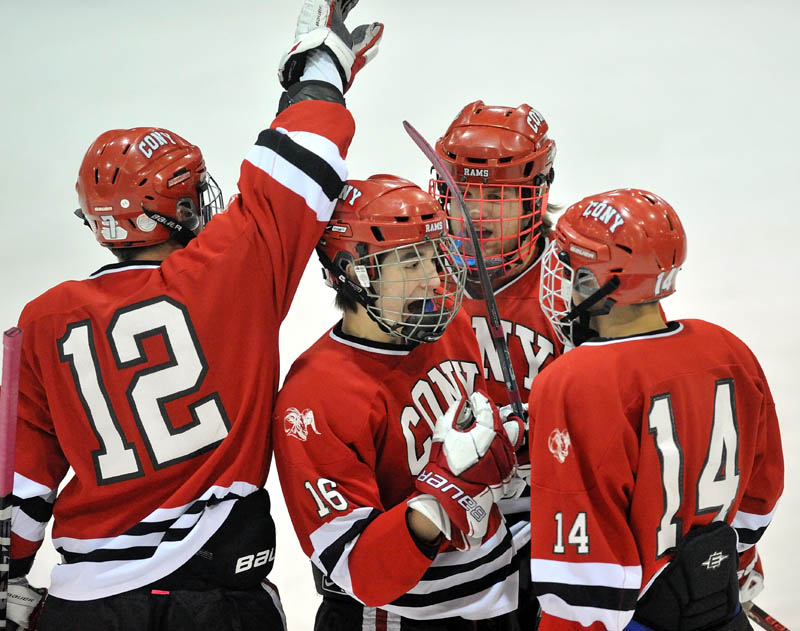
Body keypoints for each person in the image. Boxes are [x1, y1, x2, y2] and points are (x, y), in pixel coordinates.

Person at [7, 1, 383, 629]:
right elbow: (297, 167)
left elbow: (20, 474)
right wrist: (317, 74)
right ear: (176, 209)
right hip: (206, 602)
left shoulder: (43, 317)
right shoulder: (226, 272)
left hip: (83, 608)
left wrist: (14, 574)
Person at [273, 174, 523, 630]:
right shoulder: (312, 399)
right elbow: (356, 568)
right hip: (396, 618)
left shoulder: (453, 325)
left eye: (435, 256)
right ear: (351, 273)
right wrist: (440, 497)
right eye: (409, 263)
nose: (434, 280)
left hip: (496, 600)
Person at [528, 188, 784, 631]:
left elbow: (584, 583)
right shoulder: (728, 349)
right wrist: (733, 561)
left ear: (593, 283)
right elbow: (762, 487)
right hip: (720, 607)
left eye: (568, 264)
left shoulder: (573, 381)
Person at [432, 100, 565, 626]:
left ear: (537, 195)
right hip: (451, 537)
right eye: (464, 193)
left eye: (497, 196)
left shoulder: (579, 282)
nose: (476, 212)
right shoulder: (413, 276)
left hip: (552, 525)